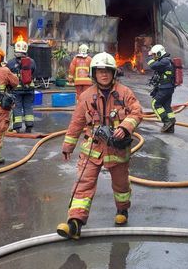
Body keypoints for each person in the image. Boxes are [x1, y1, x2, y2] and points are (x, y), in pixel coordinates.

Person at [56, 52, 143, 240]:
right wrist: (67, 146)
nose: (104, 75)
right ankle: (75, 223)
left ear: (113, 73)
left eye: (107, 71)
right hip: (92, 148)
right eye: (100, 71)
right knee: (83, 184)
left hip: (117, 148)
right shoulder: (87, 96)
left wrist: (125, 127)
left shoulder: (125, 93)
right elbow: (77, 122)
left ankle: (122, 210)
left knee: (121, 184)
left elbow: (137, 112)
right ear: (94, 74)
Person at [7, 40, 37, 133]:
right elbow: (34, 73)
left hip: (16, 90)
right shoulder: (31, 62)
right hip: (29, 89)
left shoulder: (11, 63)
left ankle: (17, 127)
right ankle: (29, 126)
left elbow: (8, 76)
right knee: (28, 107)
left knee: (17, 107)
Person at [147, 44, 176, 133]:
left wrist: (150, 59)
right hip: (168, 87)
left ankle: (166, 122)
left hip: (165, 88)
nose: (153, 57)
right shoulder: (166, 61)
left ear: (159, 53)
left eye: (154, 54)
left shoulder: (165, 61)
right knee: (166, 106)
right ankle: (171, 125)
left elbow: (152, 65)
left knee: (155, 104)